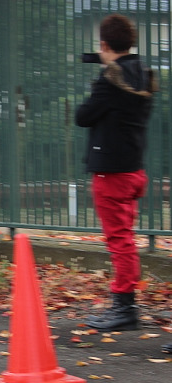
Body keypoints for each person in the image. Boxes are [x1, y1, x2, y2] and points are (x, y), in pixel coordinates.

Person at [75, 13, 157, 333]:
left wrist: (102, 74)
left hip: (111, 174)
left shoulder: (110, 79)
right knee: (126, 239)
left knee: (119, 241)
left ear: (105, 44)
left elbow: (84, 116)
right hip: (134, 170)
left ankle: (125, 307)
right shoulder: (144, 74)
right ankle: (126, 303)